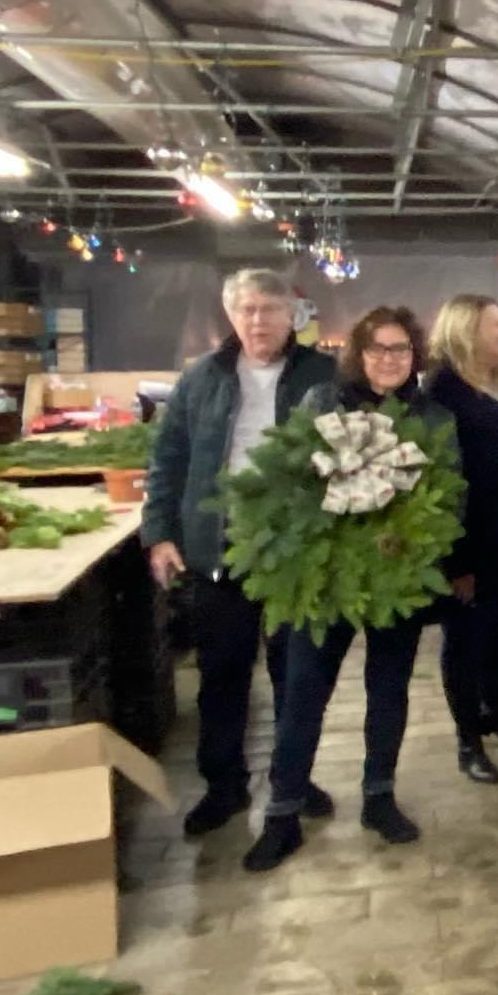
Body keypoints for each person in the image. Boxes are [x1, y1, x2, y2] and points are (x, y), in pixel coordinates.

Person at [243, 308, 455, 872]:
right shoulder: (322, 403)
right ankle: (282, 813)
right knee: (304, 691)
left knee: (388, 689)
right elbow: (289, 478)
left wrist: (409, 543)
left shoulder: (432, 417)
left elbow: (447, 494)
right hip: (324, 575)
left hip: (396, 578)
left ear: (415, 355)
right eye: (378, 348)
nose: (390, 359)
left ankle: (379, 797)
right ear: (359, 353)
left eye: (401, 349)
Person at [144, 268, 335, 836]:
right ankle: (223, 786)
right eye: (248, 309)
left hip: (295, 550)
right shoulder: (201, 378)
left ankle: (292, 778)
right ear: (231, 315)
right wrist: (159, 533)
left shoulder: (323, 375)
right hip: (220, 549)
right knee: (222, 675)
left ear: (291, 316)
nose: (258, 321)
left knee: (295, 676)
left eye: (270, 309)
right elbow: (168, 459)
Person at [426, 295, 498, 784]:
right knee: (464, 638)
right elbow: (440, 474)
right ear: (467, 331)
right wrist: (455, 561)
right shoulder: (442, 388)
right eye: (496, 325)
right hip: (468, 533)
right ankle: (468, 740)